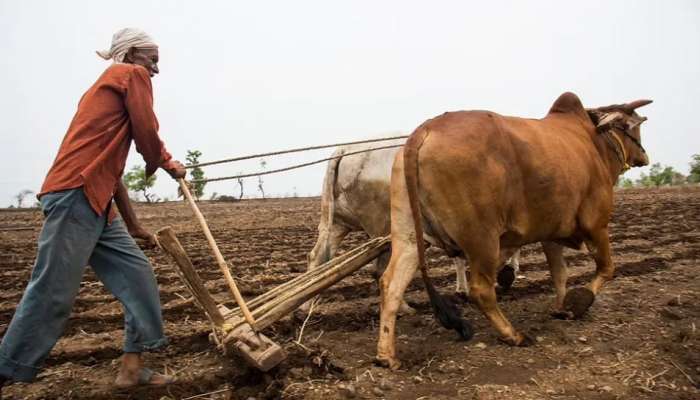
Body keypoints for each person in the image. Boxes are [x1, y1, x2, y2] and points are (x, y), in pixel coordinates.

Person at [0, 28, 185, 393]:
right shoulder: (129, 75)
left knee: (138, 275)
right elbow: (146, 129)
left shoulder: (108, 92)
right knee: (53, 291)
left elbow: (112, 174)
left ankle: (132, 368)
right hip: (75, 197)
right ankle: (6, 368)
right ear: (132, 54)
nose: (156, 70)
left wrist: (133, 225)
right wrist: (166, 162)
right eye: (153, 61)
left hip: (96, 200)